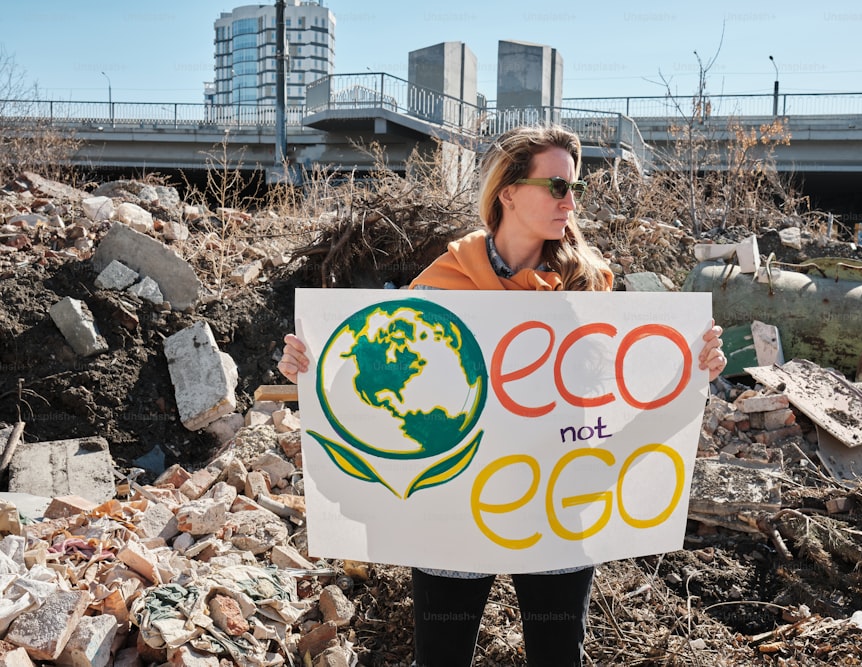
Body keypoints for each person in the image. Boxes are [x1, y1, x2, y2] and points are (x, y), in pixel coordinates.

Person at [279, 125, 727, 666]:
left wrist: (692, 366)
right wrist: (308, 366)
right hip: (458, 511)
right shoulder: (439, 287)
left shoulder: (590, 285)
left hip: (556, 505)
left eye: (574, 188)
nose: (570, 201)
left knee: (557, 658)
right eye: (556, 186)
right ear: (508, 191)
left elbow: (620, 393)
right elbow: (377, 385)